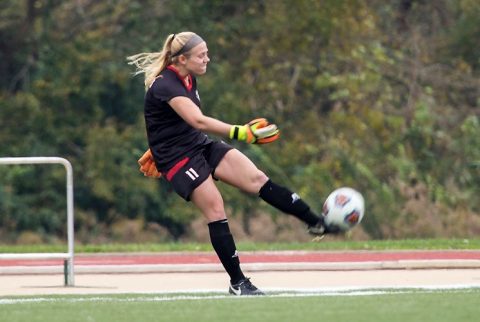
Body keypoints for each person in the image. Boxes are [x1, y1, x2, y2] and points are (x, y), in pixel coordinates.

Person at [128, 31, 335, 296]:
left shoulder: (188, 77)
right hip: (176, 158)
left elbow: (175, 124)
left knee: (257, 179)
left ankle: (315, 222)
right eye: (201, 55)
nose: (207, 59)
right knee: (216, 209)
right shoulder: (166, 84)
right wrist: (242, 133)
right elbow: (199, 120)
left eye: (206, 53)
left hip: (198, 145)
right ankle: (238, 282)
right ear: (181, 59)